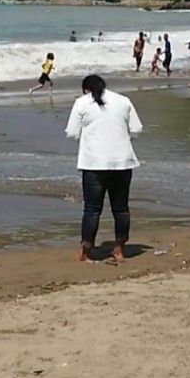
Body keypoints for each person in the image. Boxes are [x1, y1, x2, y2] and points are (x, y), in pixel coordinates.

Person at [64, 75, 142, 263]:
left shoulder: (81, 103)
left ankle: (86, 251)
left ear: (86, 89)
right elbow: (137, 129)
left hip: (93, 163)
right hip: (122, 162)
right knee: (121, 209)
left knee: (92, 209)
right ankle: (119, 249)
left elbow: (72, 133)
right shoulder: (123, 101)